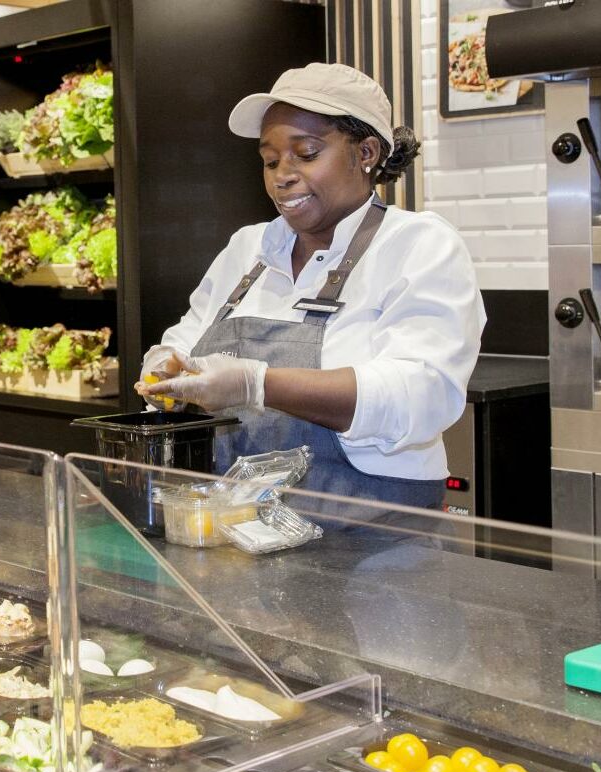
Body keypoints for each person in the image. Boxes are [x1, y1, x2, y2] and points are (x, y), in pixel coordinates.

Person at [137, 63, 485, 510]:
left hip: (372, 535)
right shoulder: (250, 249)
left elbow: (421, 395)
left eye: (306, 154)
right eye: (270, 159)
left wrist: (256, 384)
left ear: (367, 153)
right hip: (242, 524)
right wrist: (168, 366)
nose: (282, 175)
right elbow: (187, 337)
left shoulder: (418, 245)